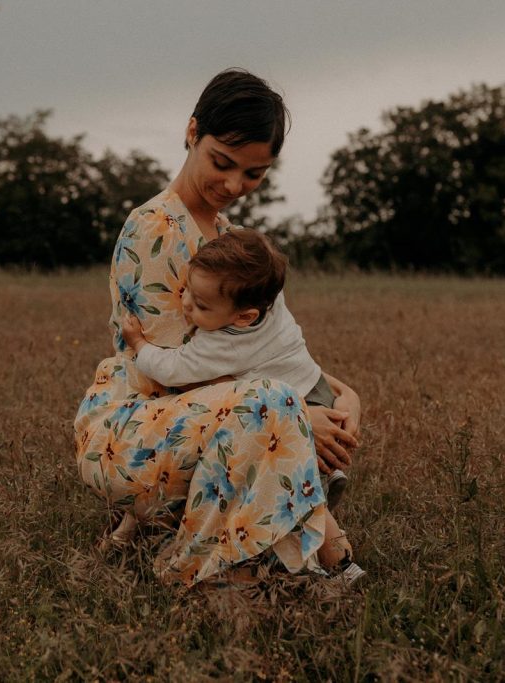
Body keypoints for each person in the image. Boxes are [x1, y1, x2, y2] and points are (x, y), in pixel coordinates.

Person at [74, 68, 362, 585]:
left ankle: (182, 540)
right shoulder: (155, 229)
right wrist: (297, 416)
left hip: (215, 416)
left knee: (280, 407)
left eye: (254, 174)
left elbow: (265, 346)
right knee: (274, 408)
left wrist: (342, 395)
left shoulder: (231, 237)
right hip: (136, 435)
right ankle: (215, 568)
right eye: (222, 163)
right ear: (191, 133)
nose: (234, 186)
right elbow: (173, 375)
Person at [116, 228, 360, 577]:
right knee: (302, 475)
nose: (185, 304)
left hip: (291, 409)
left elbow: (172, 368)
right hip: (318, 388)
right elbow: (259, 261)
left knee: (295, 484)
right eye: (186, 290)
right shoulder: (271, 302)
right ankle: (324, 480)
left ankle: (336, 561)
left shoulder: (221, 345)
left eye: (201, 305)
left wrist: (139, 344)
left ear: (243, 316)